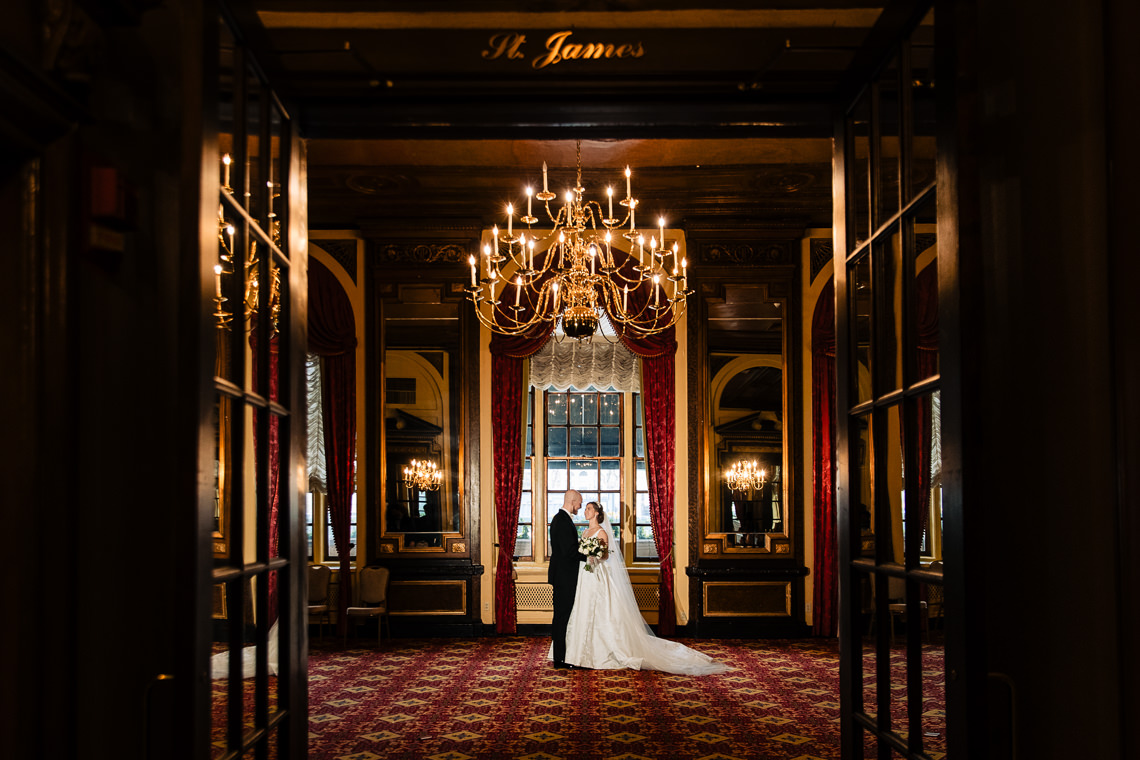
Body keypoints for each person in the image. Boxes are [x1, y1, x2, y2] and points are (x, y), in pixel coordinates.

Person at [558, 501, 730, 675]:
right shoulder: (585, 531)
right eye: (586, 508)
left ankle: (603, 651)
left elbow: (604, 555)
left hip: (598, 575)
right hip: (585, 575)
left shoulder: (602, 532)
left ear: (596, 513)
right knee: (583, 608)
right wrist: (587, 555)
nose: (585, 511)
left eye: (588, 509)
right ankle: (582, 652)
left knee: (602, 610)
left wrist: (594, 554)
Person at [548, 488, 585, 669]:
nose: (580, 506)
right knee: (562, 617)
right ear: (572, 501)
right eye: (579, 502)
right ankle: (560, 659)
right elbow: (569, 552)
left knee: (562, 617)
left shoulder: (560, 519)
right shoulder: (562, 521)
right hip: (564, 577)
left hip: (562, 575)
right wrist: (589, 556)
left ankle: (561, 657)